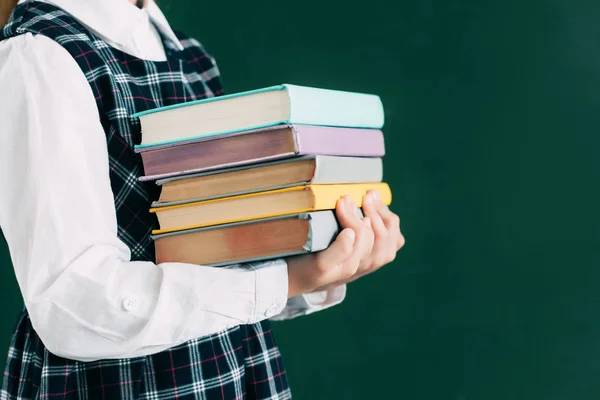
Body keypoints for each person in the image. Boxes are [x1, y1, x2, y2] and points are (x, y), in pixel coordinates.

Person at [0, 0, 405, 398]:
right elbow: (72, 303)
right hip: (120, 383)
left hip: (229, 363)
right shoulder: (41, 56)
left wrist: (320, 263)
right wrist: (287, 280)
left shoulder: (187, 55)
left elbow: (219, 260)